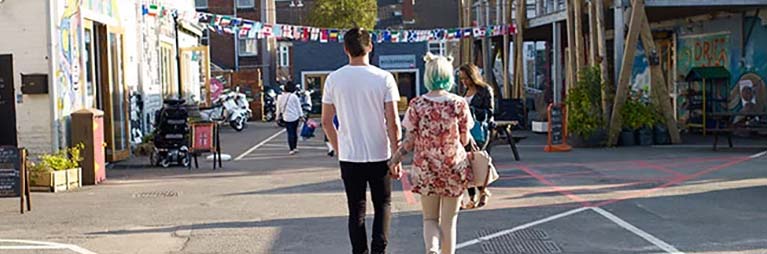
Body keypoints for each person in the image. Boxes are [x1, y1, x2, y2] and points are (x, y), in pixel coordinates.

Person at [321, 28, 402, 254]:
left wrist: (339, 148)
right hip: (380, 153)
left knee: (356, 210)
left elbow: (326, 121)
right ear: (370, 47)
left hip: (350, 155)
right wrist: (396, 156)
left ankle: (360, 252)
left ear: (345, 49)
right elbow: (393, 121)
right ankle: (379, 249)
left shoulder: (334, 79)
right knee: (383, 205)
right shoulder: (384, 78)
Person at [390, 53, 473, 254]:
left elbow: (409, 141)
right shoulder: (459, 103)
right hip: (454, 167)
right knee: (449, 221)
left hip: (425, 167)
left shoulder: (417, 104)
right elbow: (465, 140)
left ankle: (432, 248)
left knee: (429, 218)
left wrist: (395, 158)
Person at [458, 64, 494, 209]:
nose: (464, 81)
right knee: (466, 163)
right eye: (461, 79)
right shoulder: (464, 92)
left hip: (479, 131)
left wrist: (471, 111)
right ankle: (475, 195)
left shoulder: (485, 90)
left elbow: (490, 112)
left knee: (476, 162)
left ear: (473, 76)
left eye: (466, 78)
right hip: (464, 132)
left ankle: (482, 192)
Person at [277, 81, 304, 155]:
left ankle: (291, 148)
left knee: (290, 132)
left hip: (286, 117)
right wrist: (301, 116)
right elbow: (298, 107)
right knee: (295, 132)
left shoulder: (280, 97)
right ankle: (295, 147)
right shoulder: (294, 96)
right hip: (295, 116)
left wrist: (277, 116)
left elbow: (278, 108)